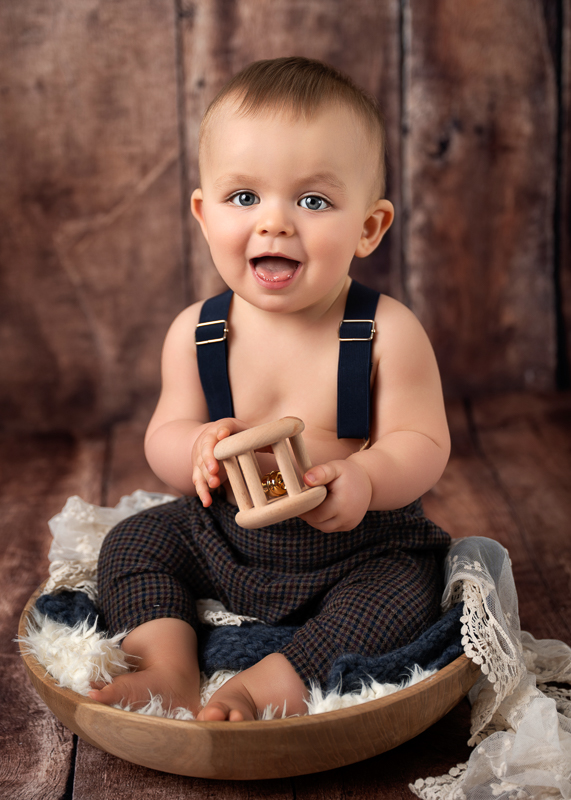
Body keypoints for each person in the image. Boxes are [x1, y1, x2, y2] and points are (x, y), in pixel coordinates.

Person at [90, 57, 451, 722]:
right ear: (203, 214)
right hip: (226, 536)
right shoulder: (197, 333)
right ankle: (167, 664)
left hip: (356, 545)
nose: (274, 223)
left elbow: (421, 441)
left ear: (368, 228)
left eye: (312, 201)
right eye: (244, 197)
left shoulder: (384, 333)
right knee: (133, 543)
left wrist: (365, 477)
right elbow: (165, 436)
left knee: (403, 593)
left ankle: (271, 684)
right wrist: (197, 447)